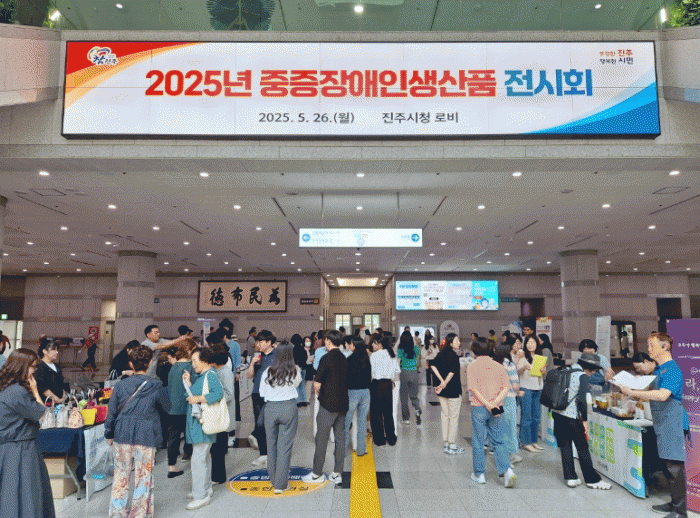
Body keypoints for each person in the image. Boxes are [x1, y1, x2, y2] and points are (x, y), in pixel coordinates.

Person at [615, 332, 690, 518]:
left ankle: (681, 511)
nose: (648, 350)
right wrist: (632, 392)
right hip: (663, 422)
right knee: (667, 466)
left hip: (672, 422)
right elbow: (652, 395)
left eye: (652, 346)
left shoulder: (672, 369)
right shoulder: (659, 369)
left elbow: (663, 395)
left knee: (674, 467)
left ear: (665, 347)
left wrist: (634, 392)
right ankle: (674, 503)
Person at [105, 344, 171, 518]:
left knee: (121, 475)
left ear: (131, 364)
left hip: (122, 433)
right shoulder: (156, 385)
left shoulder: (120, 385)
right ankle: (139, 513)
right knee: (143, 476)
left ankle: (117, 512)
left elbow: (111, 412)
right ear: (149, 363)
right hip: (146, 435)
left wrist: (108, 433)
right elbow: (167, 407)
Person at [0, 348, 54, 518]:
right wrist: (36, 390)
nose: (33, 371)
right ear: (22, 366)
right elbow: (40, 412)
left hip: (8, 448)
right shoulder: (17, 391)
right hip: (21, 449)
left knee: (10, 494)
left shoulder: (5, 388)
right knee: (28, 495)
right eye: (32, 367)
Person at [551, 352, 612, 491]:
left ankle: (571, 478)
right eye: (594, 370)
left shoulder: (566, 370)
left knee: (565, 446)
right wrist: (584, 421)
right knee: (582, 448)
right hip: (572, 417)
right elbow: (584, 401)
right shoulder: (582, 376)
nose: (594, 373)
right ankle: (592, 480)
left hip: (558, 414)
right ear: (588, 368)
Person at [467, 339, 517, 487]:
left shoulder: (472, 366)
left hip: (479, 407)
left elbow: (474, 389)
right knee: (499, 440)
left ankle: (480, 474)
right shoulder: (498, 366)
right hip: (497, 408)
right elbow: (506, 388)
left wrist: (487, 404)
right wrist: (494, 403)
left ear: (474, 350)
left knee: (478, 440)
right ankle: (507, 471)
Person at [303, 329, 348, 485]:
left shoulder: (326, 358)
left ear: (328, 340)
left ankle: (317, 474)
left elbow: (317, 383)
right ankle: (337, 473)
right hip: (343, 405)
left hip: (328, 405)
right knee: (340, 439)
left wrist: (320, 390)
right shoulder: (344, 358)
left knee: (321, 439)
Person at [183, 347, 224, 511]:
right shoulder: (204, 376)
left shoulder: (210, 375)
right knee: (203, 458)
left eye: (195, 360)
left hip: (203, 425)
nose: (192, 364)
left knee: (198, 460)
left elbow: (218, 394)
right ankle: (205, 489)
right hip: (200, 425)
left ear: (205, 360)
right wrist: (189, 384)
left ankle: (200, 496)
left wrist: (198, 398)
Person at [259, 341, 301, 493]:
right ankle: (280, 484)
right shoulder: (295, 370)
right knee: (285, 447)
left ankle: (273, 479)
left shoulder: (267, 371)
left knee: (271, 445)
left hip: (270, 409)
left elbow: (262, 393)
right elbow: (296, 385)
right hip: (289, 408)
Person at [166, 338, 197, 478]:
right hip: (187, 407)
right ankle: (190, 457)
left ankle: (172, 467)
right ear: (189, 351)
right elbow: (194, 386)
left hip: (172, 408)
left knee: (173, 437)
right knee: (191, 435)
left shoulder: (173, 367)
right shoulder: (190, 367)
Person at [246, 329, 277, 466]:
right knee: (259, 423)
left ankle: (273, 453)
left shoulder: (277, 355)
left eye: (260, 342)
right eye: (257, 342)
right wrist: (252, 363)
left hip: (272, 393)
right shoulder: (257, 356)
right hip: (257, 393)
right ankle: (263, 454)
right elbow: (249, 375)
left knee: (271, 424)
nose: (258, 344)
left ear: (269, 342)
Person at [431, 333, 465, 455]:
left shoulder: (440, 354)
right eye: (456, 341)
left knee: (445, 416)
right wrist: (444, 382)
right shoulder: (454, 356)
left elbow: (432, 366)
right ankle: (452, 445)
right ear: (450, 343)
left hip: (442, 391)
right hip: (453, 390)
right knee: (453, 417)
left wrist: (441, 382)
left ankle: (446, 443)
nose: (459, 343)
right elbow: (452, 372)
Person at [209, 343, 235, 485]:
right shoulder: (217, 371)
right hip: (218, 414)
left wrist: (211, 398)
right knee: (216, 448)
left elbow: (229, 394)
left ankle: (218, 477)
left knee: (217, 449)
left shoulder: (225, 372)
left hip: (222, 414)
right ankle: (217, 476)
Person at [494, 342, 522, 465]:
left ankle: (499, 452)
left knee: (498, 425)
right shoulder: (509, 365)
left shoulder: (494, 365)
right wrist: (519, 392)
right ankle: (511, 455)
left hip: (495, 399)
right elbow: (515, 385)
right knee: (510, 426)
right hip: (508, 398)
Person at [517, 333, 545, 452]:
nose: (530, 345)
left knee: (536, 417)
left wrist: (543, 371)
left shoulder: (540, 357)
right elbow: (517, 372)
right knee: (526, 416)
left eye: (533, 342)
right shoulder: (522, 356)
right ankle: (525, 442)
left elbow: (542, 373)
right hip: (526, 388)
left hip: (538, 388)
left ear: (537, 344)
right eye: (528, 342)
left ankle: (534, 441)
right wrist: (524, 367)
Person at [369, 335, 399, 447]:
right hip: (388, 384)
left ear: (380, 344)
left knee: (376, 413)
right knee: (388, 412)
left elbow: (371, 373)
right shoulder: (392, 354)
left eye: (374, 342)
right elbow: (396, 371)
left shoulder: (374, 355)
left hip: (376, 384)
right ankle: (391, 438)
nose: (372, 345)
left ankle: (379, 439)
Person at [345, 336, 371, 456]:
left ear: (355, 346)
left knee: (346, 422)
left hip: (352, 393)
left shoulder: (349, 359)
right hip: (365, 392)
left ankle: (343, 450)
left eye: (351, 344)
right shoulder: (366, 358)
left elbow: (345, 377)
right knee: (362, 422)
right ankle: (361, 450)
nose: (350, 345)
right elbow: (369, 376)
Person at [397, 331, 422, 425]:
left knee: (404, 397)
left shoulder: (400, 349)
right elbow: (417, 358)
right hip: (414, 373)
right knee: (414, 395)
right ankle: (417, 409)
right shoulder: (416, 349)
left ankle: (406, 418)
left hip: (404, 373)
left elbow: (398, 361)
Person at [35, 339, 70, 404]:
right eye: (53, 349)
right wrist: (57, 400)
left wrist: (63, 397)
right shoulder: (39, 367)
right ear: (45, 351)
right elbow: (42, 387)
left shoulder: (56, 366)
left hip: (60, 401)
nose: (57, 352)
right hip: (47, 403)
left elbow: (62, 383)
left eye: (57, 350)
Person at [290, 334, 308, 407]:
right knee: (302, 385)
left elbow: (293, 359)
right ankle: (304, 400)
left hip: (297, 368)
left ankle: (298, 401)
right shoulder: (303, 349)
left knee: (296, 385)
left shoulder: (294, 349)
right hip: (304, 367)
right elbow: (306, 358)